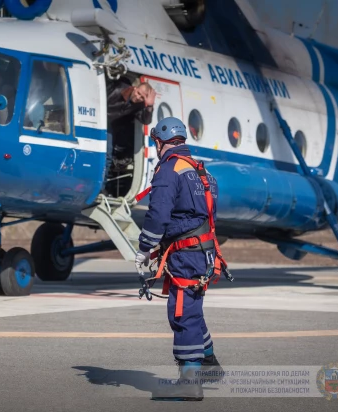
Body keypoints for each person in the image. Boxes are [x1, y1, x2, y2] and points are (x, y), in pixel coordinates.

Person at [134, 117, 224, 401]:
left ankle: (189, 381)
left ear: (160, 142)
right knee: (192, 307)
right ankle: (208, 364)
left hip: (187, 254)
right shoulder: (203, 172)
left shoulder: (169, 170)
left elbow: (158, 214)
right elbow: (203, 216)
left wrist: (145, 247)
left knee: (183, 312)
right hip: (204, 252)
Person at [107, 80, 156, 163]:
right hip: (101, 119)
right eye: (138, 93)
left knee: (108, 155)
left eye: (142, 98)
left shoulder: (138, 105)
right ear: (135, 88)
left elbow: (146, 121)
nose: (138, 97)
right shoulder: (117, 89)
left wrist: (150, 106)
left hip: (109, 124)